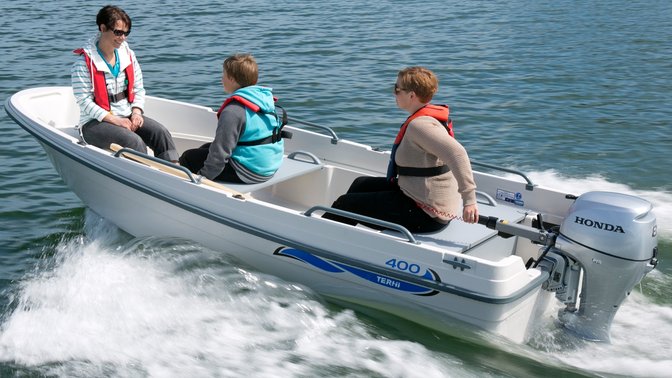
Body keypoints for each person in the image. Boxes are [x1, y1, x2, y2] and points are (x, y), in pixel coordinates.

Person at [324, 66, 479, 233]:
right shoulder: (425, 118)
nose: (394, 93)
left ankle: (321, 238)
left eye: (397, 89)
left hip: (425, 213)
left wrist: (469, 200)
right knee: (360, 184)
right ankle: (341, 234)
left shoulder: (420, 126)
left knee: (346, 203)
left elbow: (457, 154)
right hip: (416, 194)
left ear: (411, 95)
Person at [71, 5, 178, 162]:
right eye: (118, 32)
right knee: (133, 142)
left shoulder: (128, 55)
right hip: (94, 124)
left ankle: (174, 172)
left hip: (127, 113)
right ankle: (147, 178)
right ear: (102, 28)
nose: (123, 38)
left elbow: (138, 88)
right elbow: (84, 101)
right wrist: (116, 121)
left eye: (126, 33)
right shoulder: (82, 64)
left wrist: (136, 112)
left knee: (161, 133)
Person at [179, 54, 284, 183]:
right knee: (206, 148)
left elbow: (220, 153)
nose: (221, 79)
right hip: (269, 166)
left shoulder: (233, 111)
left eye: (223, 75)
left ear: (232, 79)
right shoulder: (263, 100)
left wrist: (203, 178)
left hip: (249, 172)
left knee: (188, 157)